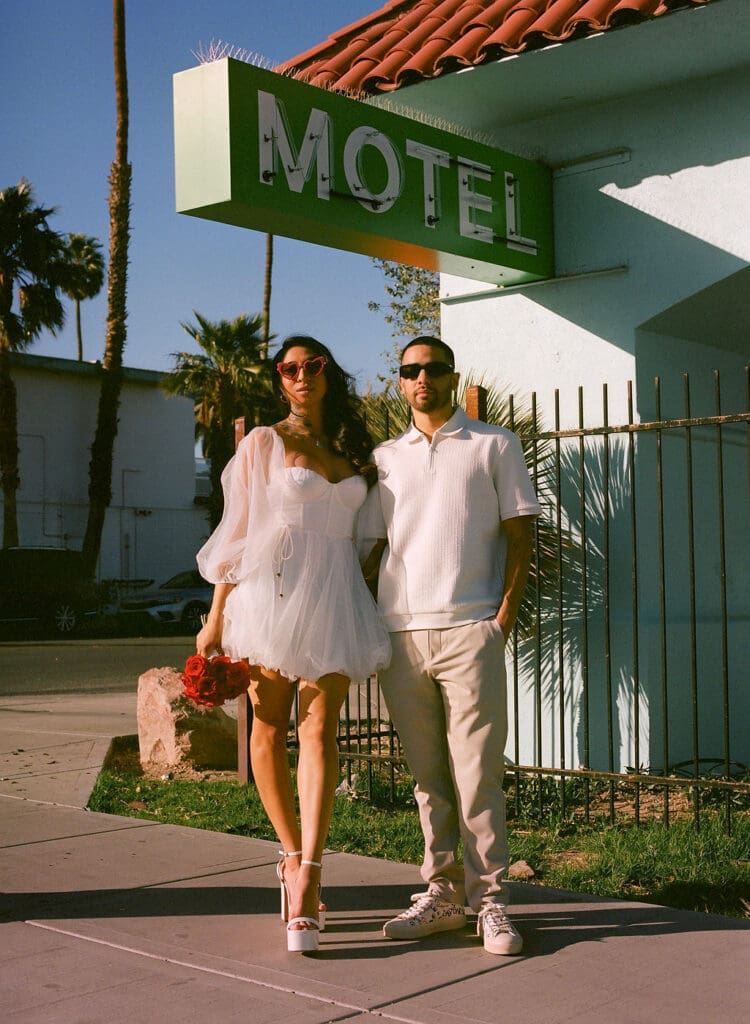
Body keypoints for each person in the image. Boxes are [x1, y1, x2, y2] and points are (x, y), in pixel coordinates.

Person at [195, 335, 391, 953]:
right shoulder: (264, 443)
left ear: (330, 370)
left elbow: (373, 535)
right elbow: (239, 530)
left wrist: (362, 587)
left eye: (313, 364)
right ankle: (287, 852)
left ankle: (310, 874)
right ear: (280, 379)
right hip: (270, 596)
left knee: (320, 730)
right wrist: (216, 614)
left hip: (334, 597)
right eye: (289, 368)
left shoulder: (355, 447)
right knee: (268, 727)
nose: (302, 374)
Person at [361, 336, 540, 956]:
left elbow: (522, 535)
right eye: (410, 371)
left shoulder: (494, 444)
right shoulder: (385, 458)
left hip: (471, 631)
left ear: (451, 375)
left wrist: (502, 617)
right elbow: (366, 547)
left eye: (433, 369)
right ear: (400, 382)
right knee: (428, 778)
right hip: (402, 635)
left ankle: (490, 903)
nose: (421, 380)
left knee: (478, 776)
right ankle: (440, 897)